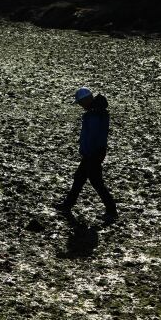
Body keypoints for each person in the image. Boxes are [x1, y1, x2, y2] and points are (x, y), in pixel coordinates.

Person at [54, 87, 118, 220]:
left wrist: (88, 152)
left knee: (96, 181)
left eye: (81, 102)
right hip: (93, 153)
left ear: (86, 100)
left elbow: (92, 136)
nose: (81, 106)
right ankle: (67, 205)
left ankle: (111, 211)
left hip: (92, 153)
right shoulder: (98, 112)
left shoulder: (94, 114)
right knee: (79, 178)